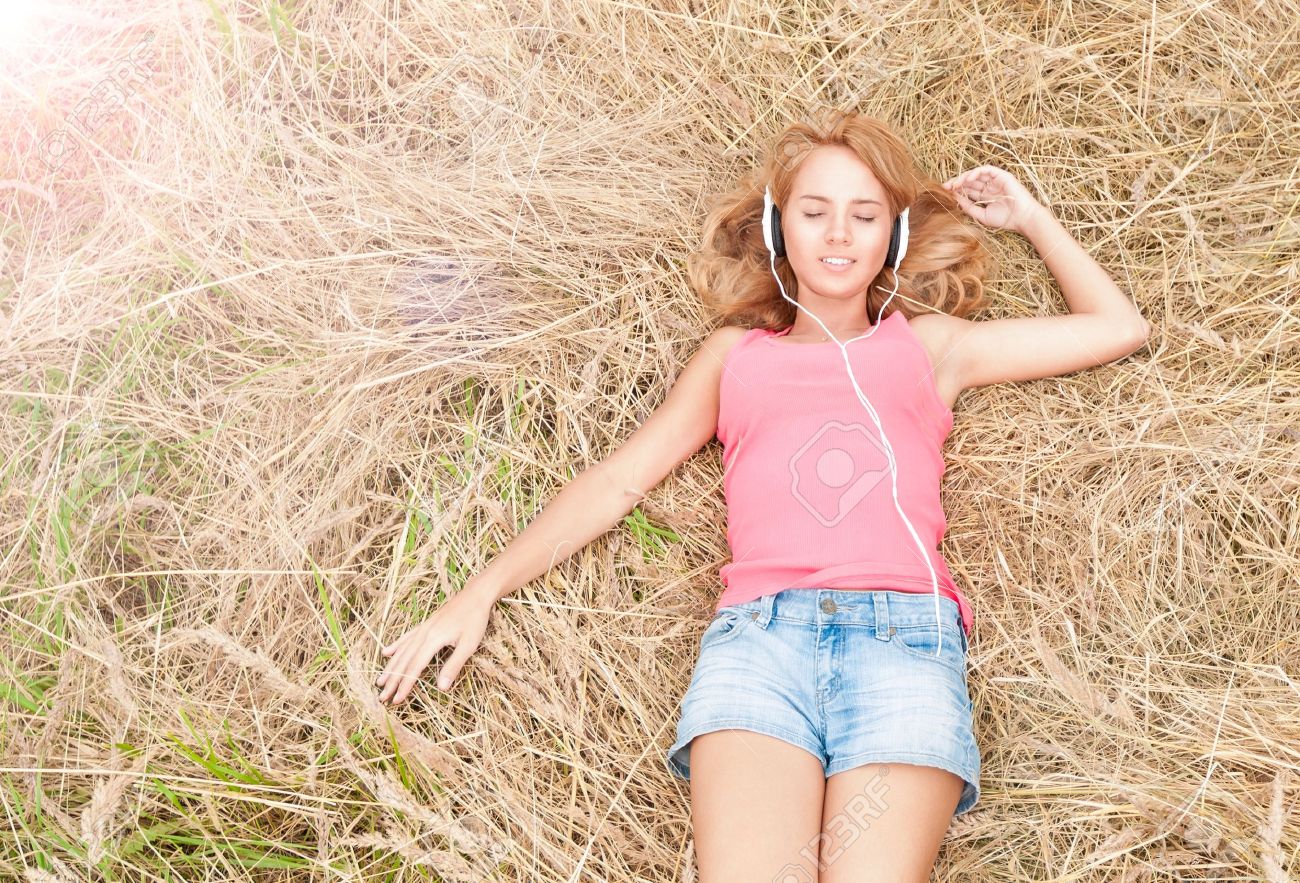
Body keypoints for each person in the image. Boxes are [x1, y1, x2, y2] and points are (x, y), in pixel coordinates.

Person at [375, 109, 1151, 881]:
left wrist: (1030, 218)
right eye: (816, 213)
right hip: (760, 646)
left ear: (895, 238)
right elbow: (617, 481)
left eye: (864, 215)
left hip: (904, 643)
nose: (840, 235)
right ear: (782, 230)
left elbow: (1117, 326)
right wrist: (482, 589)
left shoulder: (930, 345)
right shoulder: (733, 358)